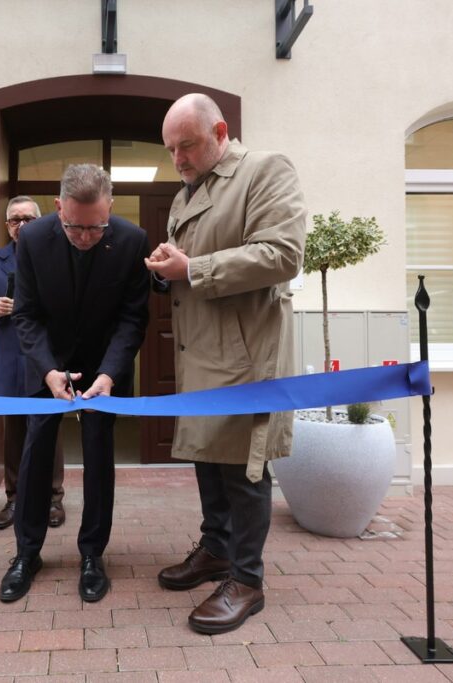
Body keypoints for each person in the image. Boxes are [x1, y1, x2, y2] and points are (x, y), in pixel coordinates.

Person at [145, 93, 306, 634]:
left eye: (186, 145)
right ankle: (215, 551)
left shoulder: (264, 170)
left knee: (242, 467)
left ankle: (246, 579)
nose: (178, 159)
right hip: (199, 350)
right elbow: (185, 264)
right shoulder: (186, 192)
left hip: (244, 353)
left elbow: (283, 252)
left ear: (220, 132)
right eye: (170, 149)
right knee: (208, 459)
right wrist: (164, 266)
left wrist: (193, 268)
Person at [0, 164, 150, 604]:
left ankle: (92, 555)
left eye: (96, 227)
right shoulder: (32, 238)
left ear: (111, 209)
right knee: (35, 454)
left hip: (104, 367)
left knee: (99, 457)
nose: (86, 236)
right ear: (57, 207)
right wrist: (48, 370)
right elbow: (26, 314)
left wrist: (108, 374)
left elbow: (132, 318)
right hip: (46, 364)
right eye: (74, 226)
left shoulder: (131, 240)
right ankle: (27, 554)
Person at [0, 196, 66, 531]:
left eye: (28, 219)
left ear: (40, 222)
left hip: (46, 359)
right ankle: (14, 498)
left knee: (49, 429)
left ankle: (54, 498)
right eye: (15, 220)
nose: (21, 225)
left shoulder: (57, 254)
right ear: (7, 225)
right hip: (11, 358)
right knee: (14, 432)